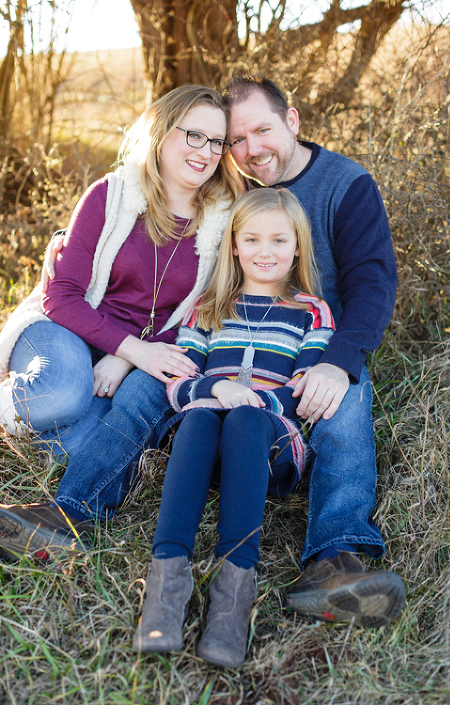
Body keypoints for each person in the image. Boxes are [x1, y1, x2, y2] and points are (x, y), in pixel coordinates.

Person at [0, 85, 242, 560]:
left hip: (126, 360)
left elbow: (196, 318)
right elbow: (61, 295)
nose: (206, 152)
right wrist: (129, 348)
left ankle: (56, 513)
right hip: (63, 329)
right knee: (61, 393)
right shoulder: (111, 195)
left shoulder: (221, 221)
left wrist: (122, 360)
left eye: (217, 142)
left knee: (81, 446)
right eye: (194, 135)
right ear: (161, 131)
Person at [220, 77, 404, 627]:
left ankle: (334, 559)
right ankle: (71, 509)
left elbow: (373, 285)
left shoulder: (345, 185)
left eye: (262, 130)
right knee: (150, 385)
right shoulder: (229, 189)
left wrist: (338, 361)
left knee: (344, 410)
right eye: (236, 140)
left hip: (315, 346)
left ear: (293, 122)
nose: (252, 150)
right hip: (235, 342)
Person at [134, 187, 333, 668]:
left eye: (279, 241)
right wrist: (216, 389)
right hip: (203, 449)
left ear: (297, 248)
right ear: (235, 246)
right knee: (202, 415)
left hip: (270, 448)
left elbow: (304, 390)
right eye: (253, 240)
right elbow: (180, 379)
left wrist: (252, 399)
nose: (266, 252)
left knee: (244, 417)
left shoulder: (311, 312)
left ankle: (231, 600)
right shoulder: (209, 306)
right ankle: (165, 590)